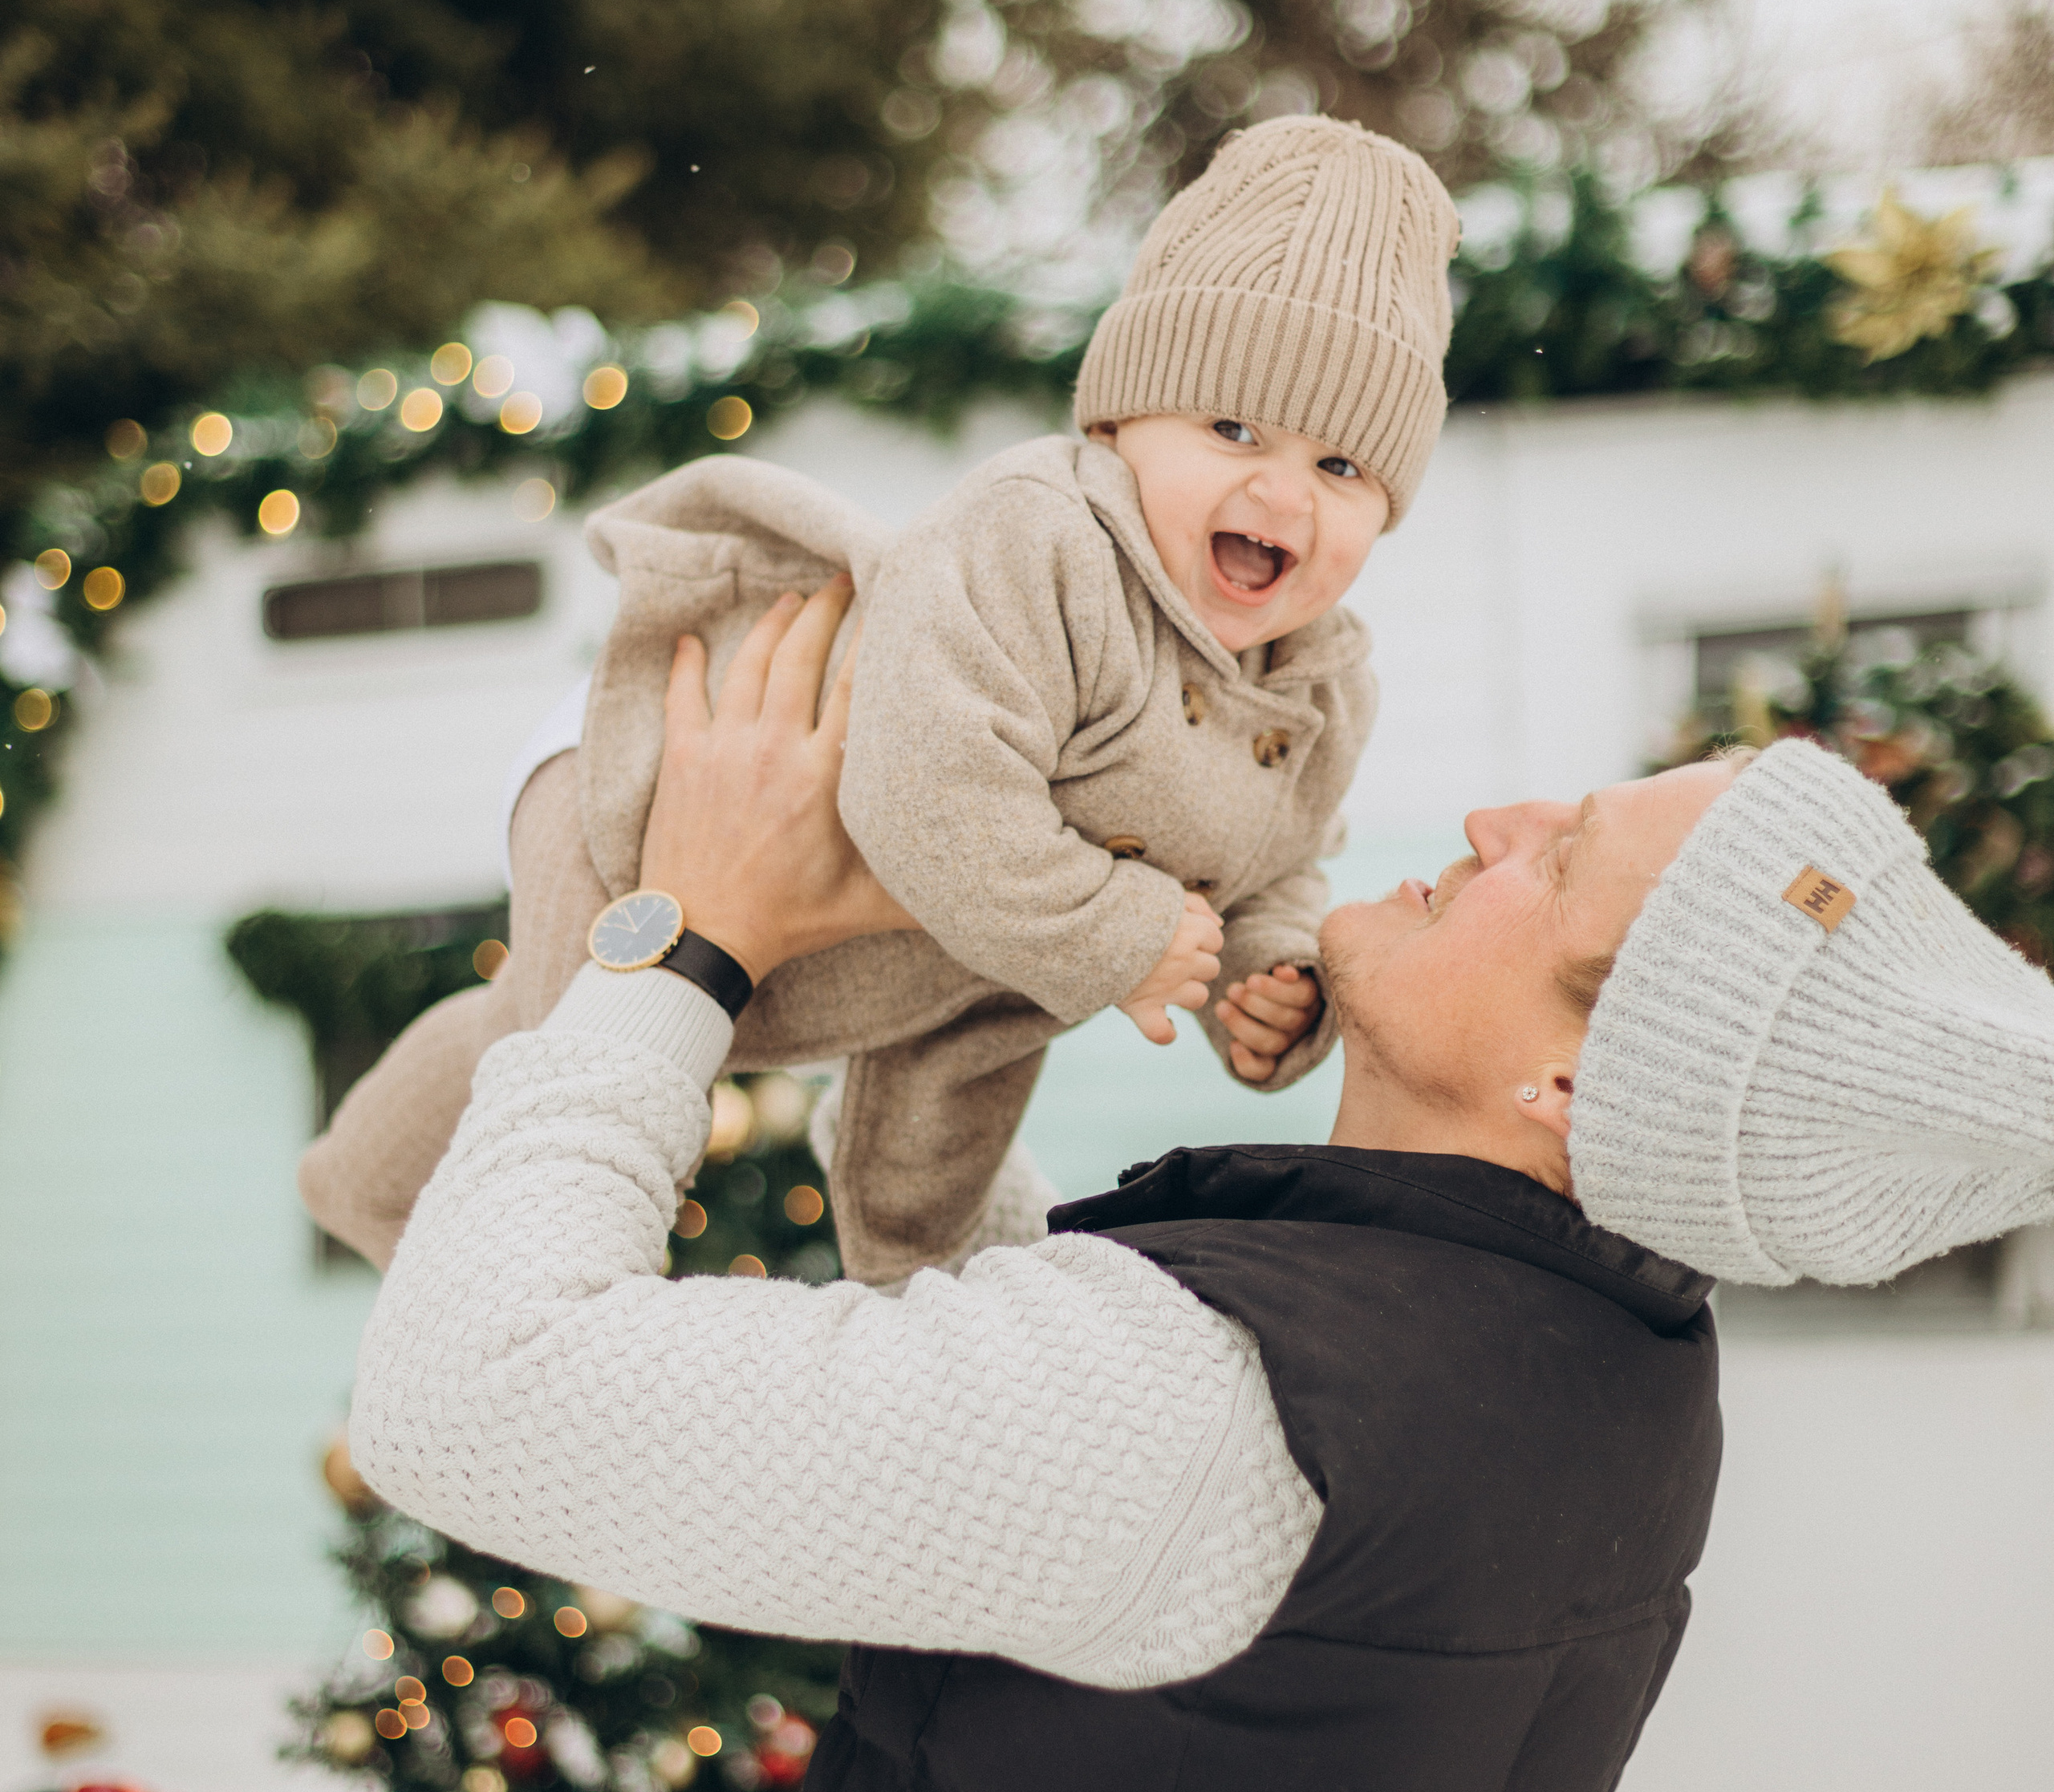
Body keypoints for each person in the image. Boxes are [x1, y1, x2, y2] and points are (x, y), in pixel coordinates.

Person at [352, 586, 2054, 1792]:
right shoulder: (1595, 1356)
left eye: (1557, 859)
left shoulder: (1223, 1403)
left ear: (1579, 1095)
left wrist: (682, 938)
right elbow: (1032, 1439)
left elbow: (468, 1396)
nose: (1494, 819)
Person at [299, 113, 1460, 1284]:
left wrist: (1267, 973)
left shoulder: (1322, 680)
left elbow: (1276, 861)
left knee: (939, 1194)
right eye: (1231, 428)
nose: (1281, 491)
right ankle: (391, 1213)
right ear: (1118, 424)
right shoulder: (1045, 537)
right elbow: (924, 783)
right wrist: (1120, 933)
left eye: (1341, 466)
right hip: (657, 773)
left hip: (972, 966)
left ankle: (914, 1311)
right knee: (564, 1055)